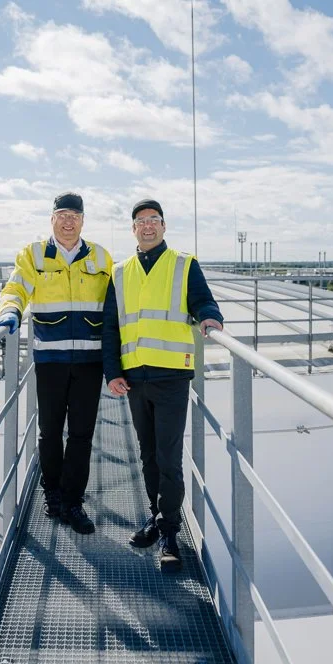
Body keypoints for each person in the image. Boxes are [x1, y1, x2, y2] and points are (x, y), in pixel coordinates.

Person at [102, 199, 223, 572]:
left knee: (168, 457)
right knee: (149, 454)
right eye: (141, 221)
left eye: (154, 219)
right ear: (133, 229)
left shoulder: (184, 264)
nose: (148, 225)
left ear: (164, 226)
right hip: (135, 377)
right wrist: (113, 371)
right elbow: (111, 326)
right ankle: (157, 517)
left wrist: (210, 318)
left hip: (171, 374)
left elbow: (203, 301)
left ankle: (170, 534)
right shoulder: (119, 272)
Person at [0, 192, 113, 535]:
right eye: (62, 215)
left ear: (83, 221)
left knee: (81, 434)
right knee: (49, 432)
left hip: (89, 360)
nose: (68, 222)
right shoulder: (33, 255)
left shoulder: (101, 256)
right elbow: (16, 287)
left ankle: (73, 502)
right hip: (50, 359)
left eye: (74, 216)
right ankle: (53, 495)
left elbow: (115, 302)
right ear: (52, 219)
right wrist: (10, 310)